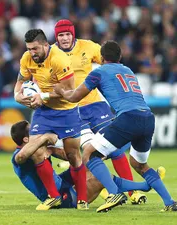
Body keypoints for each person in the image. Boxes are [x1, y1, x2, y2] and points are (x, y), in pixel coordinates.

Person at [54, 40, 177, 212]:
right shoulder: (127, 70)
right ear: (120, 57)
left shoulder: (99, 72)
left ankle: (113, 193)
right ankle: (170, 202)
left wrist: (60, 91)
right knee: (139, 164)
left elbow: (74, 97)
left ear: (101, 58)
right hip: (148, 117)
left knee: (89, 153)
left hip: (127, 117)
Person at [53, 19, 146, 204]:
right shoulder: (51, 54)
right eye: (61, 35)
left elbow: (109, 61)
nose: (64, 38)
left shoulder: (88, 46)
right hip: (71, 109)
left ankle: (132, 193)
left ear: (73, 34)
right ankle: (105, 189)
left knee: (115, 147)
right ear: (56, 37)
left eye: (67, 34)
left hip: (96, 105)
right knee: (87, 151)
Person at [10, 120, 165, 209]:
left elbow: (69, 155)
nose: (37, 131)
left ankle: (143, 186)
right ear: (25, 139)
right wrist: (44, 139)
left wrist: (57, 147)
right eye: (32, 132)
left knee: (90, 163)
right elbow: (22, 157)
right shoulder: (19, 156)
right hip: (63, 198)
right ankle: (141, 186)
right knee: (98, 179)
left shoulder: (41, 148)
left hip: (62, 182)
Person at [14, 29, 87, 210]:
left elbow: (69, 89)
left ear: (46, 45)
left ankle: (82, 200)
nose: (32, 53)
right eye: (29, 49)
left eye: (35, 49)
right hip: (44, 111)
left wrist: (44, 96)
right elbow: (20, 81)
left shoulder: (59, 59)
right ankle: (53, 196)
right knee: (36, 151)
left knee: (73, 155)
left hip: (67, 111)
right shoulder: (26, 58)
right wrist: (17, 96)